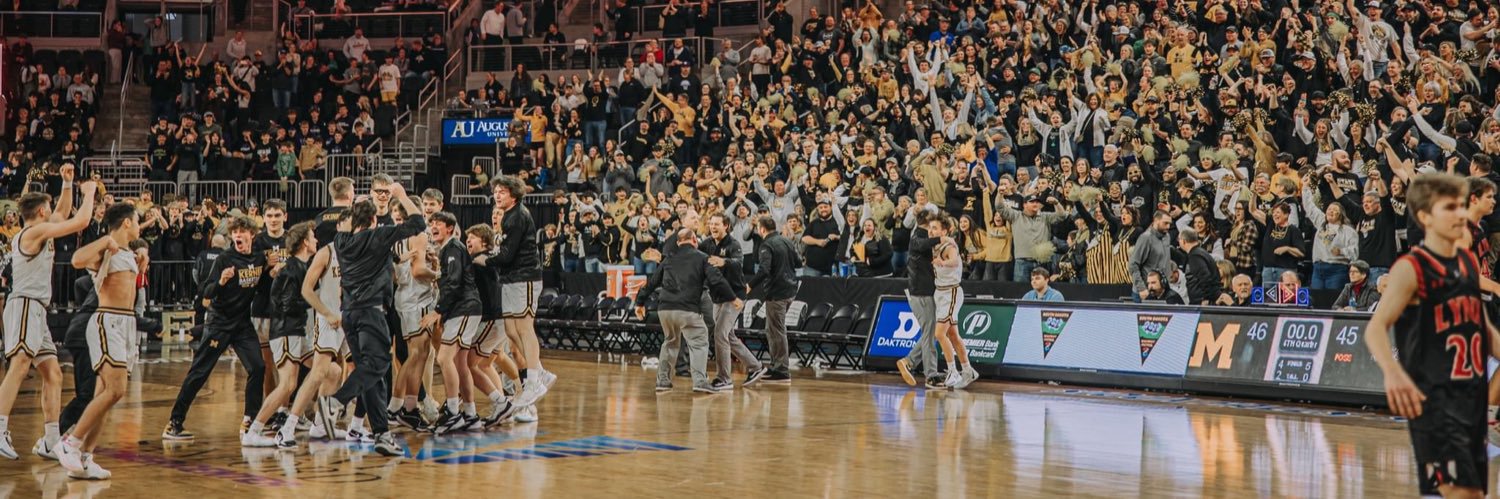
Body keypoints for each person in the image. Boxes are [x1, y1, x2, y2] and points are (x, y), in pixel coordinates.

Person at [1365, 173, 1497, 499]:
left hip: (1469, 397)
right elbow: (1376, 327)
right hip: (1435, 401)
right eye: (1449, 207)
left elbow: (1483, 327)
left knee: (1458, 492)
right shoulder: (1411, 268)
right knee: (1463, 493)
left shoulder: (1466, 262)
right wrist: (1393, 374)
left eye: (1461, 207)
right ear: (1425, 217)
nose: (1461, 215)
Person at [0, 171, 95, 460]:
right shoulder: (32, 233)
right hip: (26, 304)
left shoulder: (39, 229)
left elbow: (64, 212)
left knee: (53, 373)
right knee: (19, 366)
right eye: (49, 207)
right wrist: (89, 192)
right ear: (41, 211)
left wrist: (67, 183)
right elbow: (79, 221)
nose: (54, 210)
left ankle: (51, 440)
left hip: (37, 309)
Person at [325, 182, 425, 456]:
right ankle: (336, 402)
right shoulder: (378, 236)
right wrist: (402, 195)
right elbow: (418, 223)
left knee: (370, 375)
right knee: (380, 364)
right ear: (372, 220)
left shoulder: (340, 241)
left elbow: (347, 226)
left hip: (350, 315)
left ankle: (381, 434)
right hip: (371, 312)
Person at [58, 202, 142, 479]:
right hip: (108, 321)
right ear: (127, 222)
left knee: (105, 395)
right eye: (137, 220)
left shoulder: (128, 252)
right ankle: (70, 443)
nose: (139, 225)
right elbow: (77, 260)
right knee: (115, 389)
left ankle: (85, 456)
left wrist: (141, 260)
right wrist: (105, 241)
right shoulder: (106, 248)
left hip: (127, 325)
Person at [164, 215, 268, 440]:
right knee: (199, 373)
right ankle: (175, 422)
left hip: (242, 324)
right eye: (235, 232)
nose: (238, 235)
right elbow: (206, 292)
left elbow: (263, 286)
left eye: (242, 231)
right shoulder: (224, 259)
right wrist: (221, 281)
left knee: (258, 367)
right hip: (219, 323)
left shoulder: (259, 258)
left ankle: (250, 420)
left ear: (252, 234)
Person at [636, 229, 741, 393]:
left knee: (670, 342)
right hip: (686, 309)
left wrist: (640, 302)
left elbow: (652, 281)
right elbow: (717, 280)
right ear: (694, 239)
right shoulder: (701, 257)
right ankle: (700, 381)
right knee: (699, 340)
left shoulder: (669, 258)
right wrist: (733, 298)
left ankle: (662, 381)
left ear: (678, 242)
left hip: (665, 310)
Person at [280, 213, 352, 448]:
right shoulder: (327, 252)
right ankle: (288, 426)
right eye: (351, 223)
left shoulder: (358, 250)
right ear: (340, 225)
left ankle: (322, 425)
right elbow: (307, 290)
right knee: (319, 372)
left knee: (336, 372)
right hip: (327, 319)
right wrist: (327, 313)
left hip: (348, 319)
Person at [241, 221, 316, 447]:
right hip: (286, 332)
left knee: (329, 370)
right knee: (287, 385)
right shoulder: (290, 268)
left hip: (298, 332)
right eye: (313, 237)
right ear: (305, 242)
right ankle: (254, 430)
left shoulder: (302, 267)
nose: (316, 241)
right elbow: (280, 302)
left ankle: (314, 420)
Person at [483, 176, 554, 413]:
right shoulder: (510, 216)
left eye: (502, 191)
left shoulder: (517, 217)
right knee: (512, 332)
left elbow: (506, 256)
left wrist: (485, 259)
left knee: (524, 329)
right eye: (496, 191)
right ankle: (541, 372)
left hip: (526, 277)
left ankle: (534, 381)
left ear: (514, 194)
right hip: (513, 278)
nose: (497, 195)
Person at [422, 211, 483, 434]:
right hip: (465, 309)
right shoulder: (447, 250)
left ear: (450, 228)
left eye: (438, 223)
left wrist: (439, 311)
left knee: (444, 357)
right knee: (460, 364)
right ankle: (470, 414)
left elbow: (455, 283)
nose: (433, 227)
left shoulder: (453, 248)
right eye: (431, 224)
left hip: (464, 308)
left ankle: (453, 412)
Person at [463, 224, 521, 427]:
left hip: (492, 319)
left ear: (485, 242)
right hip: (499, 319)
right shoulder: (491, 260)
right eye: (467, 237)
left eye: (473, 237)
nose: (468, 240)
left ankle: (502, 402)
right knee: (487, 364)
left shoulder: (480, 261)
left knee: (468, 365)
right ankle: (505, 405)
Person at [700, 214, 767, 390]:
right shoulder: (706, 244)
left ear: (726, 226)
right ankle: (756, 367)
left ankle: (724, 378)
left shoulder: (733, 244)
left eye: (717, 224)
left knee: (720, 334)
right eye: (711, 223)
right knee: (728, 335)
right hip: (717, 297)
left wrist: (724, 262)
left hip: (734, 297)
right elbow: (694, 257)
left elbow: (738, 264)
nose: (713, 227)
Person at [390, 203, 437, 430]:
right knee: (415, 355)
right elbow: (418, 271)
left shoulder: (392, 237)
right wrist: (438, 273)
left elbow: (393, 274)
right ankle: (398, 407)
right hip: (415, 298)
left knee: (418, 354)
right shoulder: (418, 236)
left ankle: (408, 406)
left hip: (403, 296)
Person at [747, 214, 799, 384]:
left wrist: (750, 285)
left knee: (776, 330)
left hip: (777, 292)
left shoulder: (767, 244)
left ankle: (781, 370)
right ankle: (778, 365)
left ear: (761, 229)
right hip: (790, 289)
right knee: (774, 329)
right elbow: (798, 262)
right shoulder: (786, 241)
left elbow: (764, 270)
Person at [928, 216, 977, 389]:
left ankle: (952, 372)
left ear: (944, 231)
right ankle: (968, 370)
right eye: (930, 228)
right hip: (940, 292)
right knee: (953, 335)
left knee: (939, 334)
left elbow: (955, 260)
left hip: (951, 291)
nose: (931, 231)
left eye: (935, 228)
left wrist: (944, 262)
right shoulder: (934, 245)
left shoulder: (949, 246)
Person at [250, 199, 289, 417]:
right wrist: (266, 266)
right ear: (263, 218)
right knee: (266, 364)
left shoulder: (291, 240)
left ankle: (285, 408)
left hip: (286, 308)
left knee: (287, 362)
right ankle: (272, 408)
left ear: (285, 216)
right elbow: (248, 274)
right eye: (270, 216)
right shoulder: (257, 242)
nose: (273, 220)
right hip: (262, 306)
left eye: (277, 215)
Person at [896, 209, 942, 388]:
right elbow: (921, 245)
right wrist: (942, 239)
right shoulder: (917, 237)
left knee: (930, 333)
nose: (934, 229)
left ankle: (909, 361)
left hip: (924, 291)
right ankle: (930, 375)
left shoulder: (922, 237)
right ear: (926, 222)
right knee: (930, 333)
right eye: (933, 224)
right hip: (920, 293)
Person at [1178, 228, 1223, 305]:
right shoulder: (1201, 252)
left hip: (1201, 301)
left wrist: (1206, 298)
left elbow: (1205, 277)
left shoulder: (1195, 256)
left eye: (1179, 240)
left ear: (1183, 241)